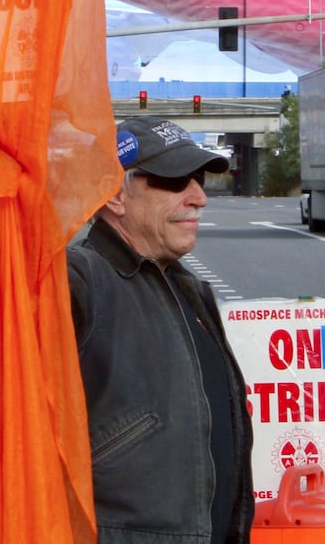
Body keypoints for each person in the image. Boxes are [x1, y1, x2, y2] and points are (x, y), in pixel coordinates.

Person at [67, 115, 255, 543]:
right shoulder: (80, 277)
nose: (199, 197)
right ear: (115, 194)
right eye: (176, 181)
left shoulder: (185, 285)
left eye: (199, 179)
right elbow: (21, 309)